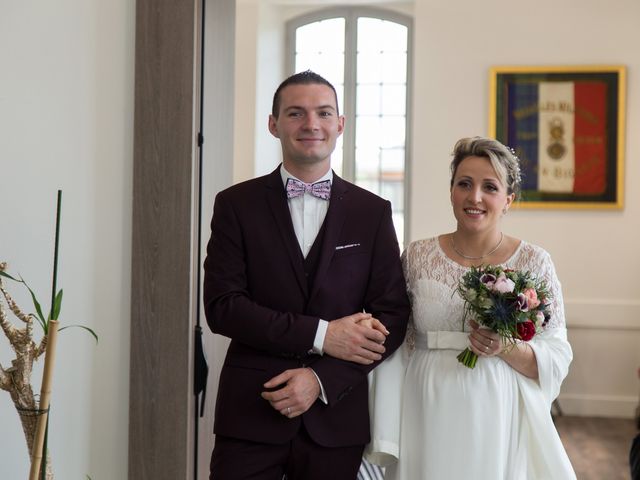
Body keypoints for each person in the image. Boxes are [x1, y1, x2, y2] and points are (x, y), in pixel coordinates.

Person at [203, 70, 410, 480]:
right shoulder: (235, 205)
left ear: (340, 125)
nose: (311, 124)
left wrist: (320, 378)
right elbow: (223, 308)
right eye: (296, 113)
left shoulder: (372, 212)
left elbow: (393, 317)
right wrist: (321, 334)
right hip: (249, 414)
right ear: (273, 123)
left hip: (335, 419)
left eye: (323, 113)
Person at [366, 136, 576, 479]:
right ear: (451, 191)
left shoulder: (534, 261)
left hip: (498, 405)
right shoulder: (417, 256)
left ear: (507, 200)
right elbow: (396, 344)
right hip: (426, 402)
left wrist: (506, 346)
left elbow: (557, 353)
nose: (474, 197)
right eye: (464, 184)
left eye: (489, 187)